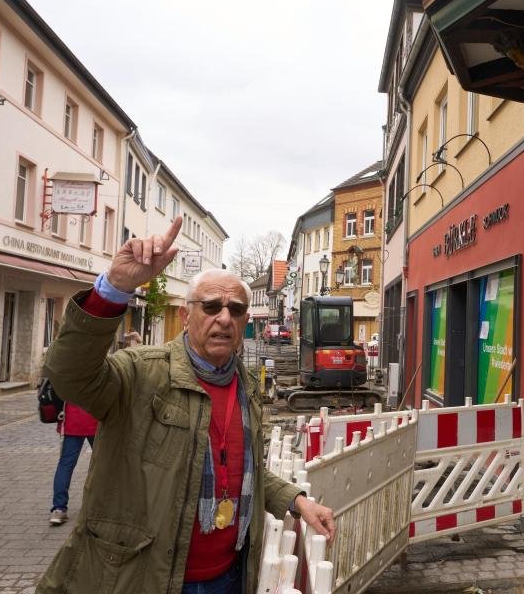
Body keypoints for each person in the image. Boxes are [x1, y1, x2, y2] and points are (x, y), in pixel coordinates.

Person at [37, 216, 335, 594]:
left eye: (236, 309)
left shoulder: (244, 384)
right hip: (144, 579)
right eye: (211, 306)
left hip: (228, 577)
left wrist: (296, 501)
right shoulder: (142, 372)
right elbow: (69, 374)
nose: (224, 318)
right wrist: (115, 288)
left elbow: (244, 471)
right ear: (185, 315)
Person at [48, 402, 98, 526]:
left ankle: (59, 509)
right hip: (96, 418)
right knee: (104, 463)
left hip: (72, 418)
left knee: (65, 464)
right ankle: (105, 507)